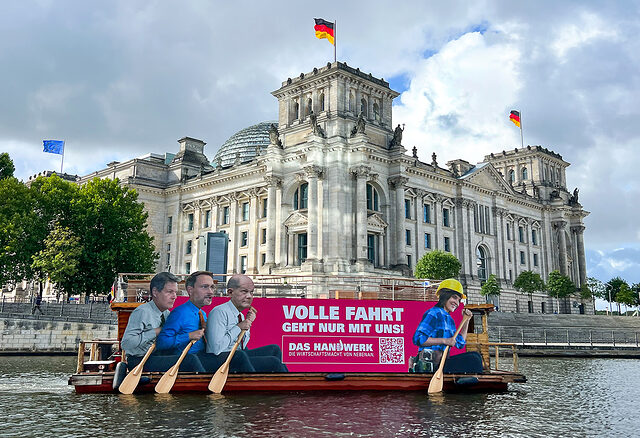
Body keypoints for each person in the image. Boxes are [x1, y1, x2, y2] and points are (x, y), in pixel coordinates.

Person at [121, 272, 204, 372]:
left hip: (159, 357)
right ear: (155, 292)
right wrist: (156, 331)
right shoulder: (143, 312)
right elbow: (126, 344)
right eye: (169, 292)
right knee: (190, 360)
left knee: (196, 356)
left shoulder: (167, 314)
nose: (174, 297)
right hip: (140, 361)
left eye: (175, 292)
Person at [206, 274, 288, 372]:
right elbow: (217, 349)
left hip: (238, 356)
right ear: (230, 292)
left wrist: (248, 323)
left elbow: (243, 345)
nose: (249, 296)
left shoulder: (240, 315)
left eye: (251, 292)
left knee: (274, 349)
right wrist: (238, 327)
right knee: (273, 362)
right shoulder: (219, 312)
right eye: (244, 292)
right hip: (223, 360)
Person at [155, 271, 222, 372]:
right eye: (205, 287)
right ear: (190, 290)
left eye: (212, 287)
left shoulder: (202, 314)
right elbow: (162, 342)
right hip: (187, 364)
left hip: (204, 359)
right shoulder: (180, 313)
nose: (211, 292)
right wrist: (189, 336)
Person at [412, 279, 483, 373]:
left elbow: (460, 343)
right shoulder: (433, 313)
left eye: (459, 300)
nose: (457, 303)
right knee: (474, 359)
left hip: (443, 363)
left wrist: (466, 320)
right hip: (430, 366)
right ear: (444, 296)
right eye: (454, 297)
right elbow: (418, 338)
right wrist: (444, 341)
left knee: (476, 356)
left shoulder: (449, 320)